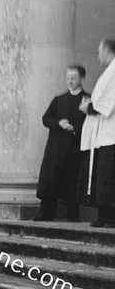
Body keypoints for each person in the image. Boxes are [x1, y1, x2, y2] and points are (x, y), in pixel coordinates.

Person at [33, 65, 89, 222]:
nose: (70, 82)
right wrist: (59, 123)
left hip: (75, 148)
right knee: (50, 180)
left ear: (82, 79)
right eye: (68, 78)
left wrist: (74, 127)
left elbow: (90, 122)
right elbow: (46, 118)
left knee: (73, 181)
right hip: (56, 148)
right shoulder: (59, 100)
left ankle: (73, 216)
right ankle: (46, 214)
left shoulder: (87, 100)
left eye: (73, 78)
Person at [78, 39, 115, 228]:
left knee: (109, 175)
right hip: (106, 132)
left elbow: (108, 101)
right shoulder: (109, 70)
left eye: (99, 51)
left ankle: (109, 217)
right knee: (104, 174)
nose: (97, 55)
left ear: (108, 50)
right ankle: (105, 215)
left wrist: (89, 107)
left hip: (111, 132)